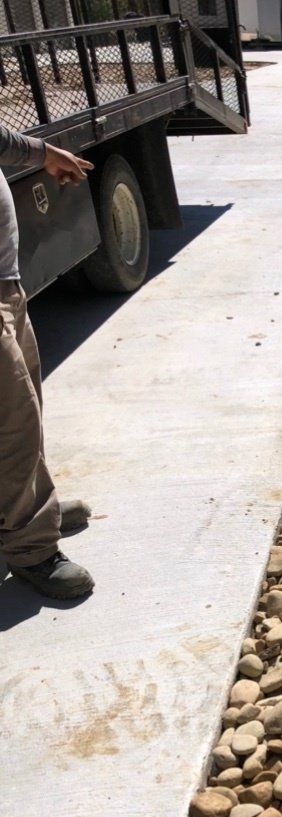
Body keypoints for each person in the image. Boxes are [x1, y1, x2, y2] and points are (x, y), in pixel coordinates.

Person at [0, 125, 95, 600]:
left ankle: (26, 512)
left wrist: (39, 153)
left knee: (24, 408)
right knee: (13, 423)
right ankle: (32, 550)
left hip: (4, 280)